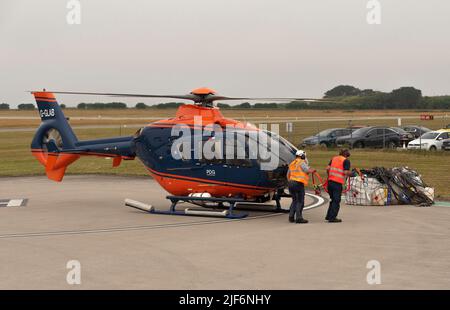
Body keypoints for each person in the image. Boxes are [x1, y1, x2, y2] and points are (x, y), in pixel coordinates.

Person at [287, 150, 316, 224]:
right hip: (298, 183)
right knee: (300, 201)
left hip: (291, 183)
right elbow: (307, 170)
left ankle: (291, 217)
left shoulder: (292, 163)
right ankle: (299, 218)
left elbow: (288, 175)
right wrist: (312, 171)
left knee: (294, 200)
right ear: (302, 156)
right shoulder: (301, 162)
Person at [326, 149, 352, 223]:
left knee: (332, 199)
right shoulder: (346, 161)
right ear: (346, 155)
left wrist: (329, 176)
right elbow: (345, 172)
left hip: (330, 182)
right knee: (336, 200)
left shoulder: (334, 158)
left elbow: (327, 168)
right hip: (337, 183)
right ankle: (332, 217)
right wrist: (352, 173)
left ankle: (328, 215)